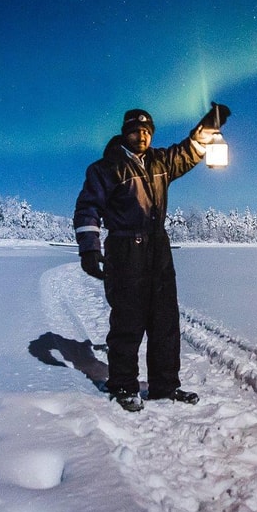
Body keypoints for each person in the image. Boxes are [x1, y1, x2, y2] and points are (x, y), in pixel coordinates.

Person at [73, 103, 230, 412]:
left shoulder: (160, 162)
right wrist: (89, 249)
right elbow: (87, 209)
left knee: (165, 322)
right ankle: (123, 385)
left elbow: (188, 151)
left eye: (146, 131)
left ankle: (165, 386)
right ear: (125, 134)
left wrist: (207, 127)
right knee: (128, 322)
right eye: (135, 131)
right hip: (124, 250)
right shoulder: (106, 168)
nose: (142, 136)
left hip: (158, 249)